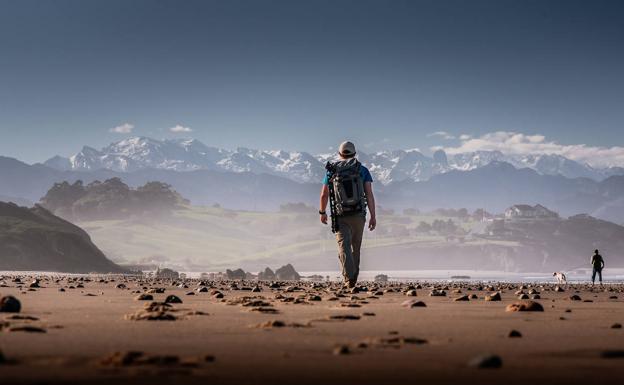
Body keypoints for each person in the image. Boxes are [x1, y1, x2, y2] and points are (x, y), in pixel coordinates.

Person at [319, 141, 376, 289]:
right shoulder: (362, 170)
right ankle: (353, 279)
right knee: (355, 247)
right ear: (354, 153)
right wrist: (373, 216)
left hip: (340, 215)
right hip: (359, 214)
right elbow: (369, 195)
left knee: (343, 247)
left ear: (339, 154)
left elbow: (324, 195)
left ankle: (348, 278)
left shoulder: (332, 171)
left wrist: (322, 212)